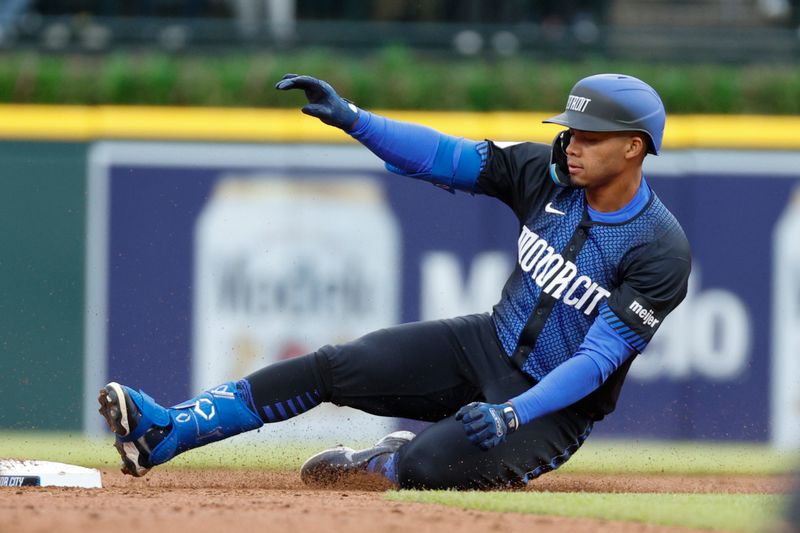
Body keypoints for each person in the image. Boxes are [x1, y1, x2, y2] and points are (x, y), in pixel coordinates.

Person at [98, 72, 692, 490]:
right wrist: (356, 120)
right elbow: (444, 156)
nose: (573, 143)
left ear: (635, 147)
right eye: (571, 130)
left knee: (429, 470)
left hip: (552, 407)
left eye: (591, 136)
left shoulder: (659, 248)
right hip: (484, 342)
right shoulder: (545, 172)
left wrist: (512, 413)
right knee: (331, 366)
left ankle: (384, 463)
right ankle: (168, 431)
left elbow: (595, 362)